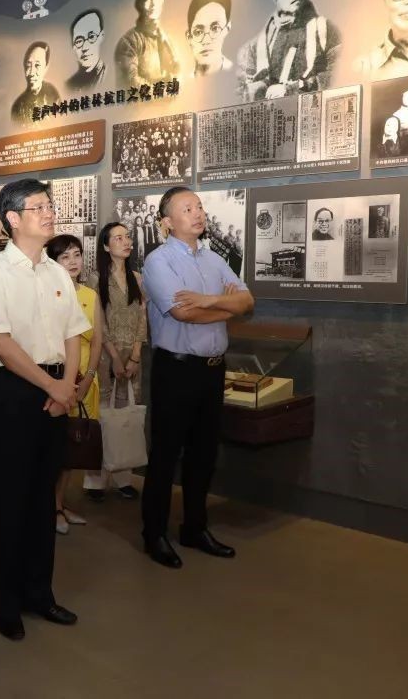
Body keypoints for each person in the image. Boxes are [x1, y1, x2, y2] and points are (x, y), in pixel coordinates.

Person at [0, 178, 90, 641]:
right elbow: (0, 344)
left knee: (43, 499)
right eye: (38, 207)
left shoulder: (57, 273)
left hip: (55, 390)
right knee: (7, 502)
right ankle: (5, 604)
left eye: (49, 205)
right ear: (12, 219)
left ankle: (39, 593)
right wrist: (54, 387)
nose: (49, 213)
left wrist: (67, 388)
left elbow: (73, 334)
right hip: (10, 392)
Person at [141, 187, 254, 569]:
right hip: (176, 369)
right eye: (187, 208)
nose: (198, 213)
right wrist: (226, 307)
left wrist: (208, 300)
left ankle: (194, 527)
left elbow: (247, 302)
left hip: (212, 370)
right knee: (165, 454)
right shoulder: (159, 261)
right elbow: (182, 313)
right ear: (167, 222)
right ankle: (154, 533)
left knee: (204, 454)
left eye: (199, 207)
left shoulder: (213, 259)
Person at [45, 234, 103, 535]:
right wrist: (66, 382)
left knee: (72, 448)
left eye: (77, 255)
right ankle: (49, 507)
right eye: (64, 256)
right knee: (53, 449)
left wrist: (89, 377)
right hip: (56, 382)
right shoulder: (46, 294)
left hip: (85, 384)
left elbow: (97, 341)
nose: (72, 262)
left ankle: (59, 504)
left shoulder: (90, 295)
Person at [85, 222, 146, 501]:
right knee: (102, 415)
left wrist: (135, 355)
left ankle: (123, 477)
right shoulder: (96, 278)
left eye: (127, 237)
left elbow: (143, 318)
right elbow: (98, 322)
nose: (126, 241)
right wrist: (113, 357)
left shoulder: (138, 278)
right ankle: (95, 480)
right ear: (106, 246)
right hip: (104, 356)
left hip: (132, 356)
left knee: (126, 415)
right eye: (118, 238)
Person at [237, 0, 341, 101]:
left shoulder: (326, 30)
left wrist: (295, 88)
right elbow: (240, 90)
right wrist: (256, 89)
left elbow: (339, 74)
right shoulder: (255, 46)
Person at [115, 0, 180, 90]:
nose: (153, 4)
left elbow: (177, 72)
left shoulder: (167, 39)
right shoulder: (130, 41)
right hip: (143, 100)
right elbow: (131, 81)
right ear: (140, 4)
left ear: (163, 1)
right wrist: (163, 91)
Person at [11, 42, 62, 126]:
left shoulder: (52, 94)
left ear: (46, 67)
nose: (32, 72)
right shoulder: (18, 106)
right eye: (28, 66)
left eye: (37, 65)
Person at [186, 0, 234, 77]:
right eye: (198, 32)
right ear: (189, 38)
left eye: (215, 28)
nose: (206, 40)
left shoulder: (237, 76)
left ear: (227, 29)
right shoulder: (182, 81)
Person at [65, 9, 107, 91]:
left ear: (101, 37)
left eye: (91, 37)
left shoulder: (109, 74)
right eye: (79, 41)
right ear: (73, 47)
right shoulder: (70, 85)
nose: (85, 48)